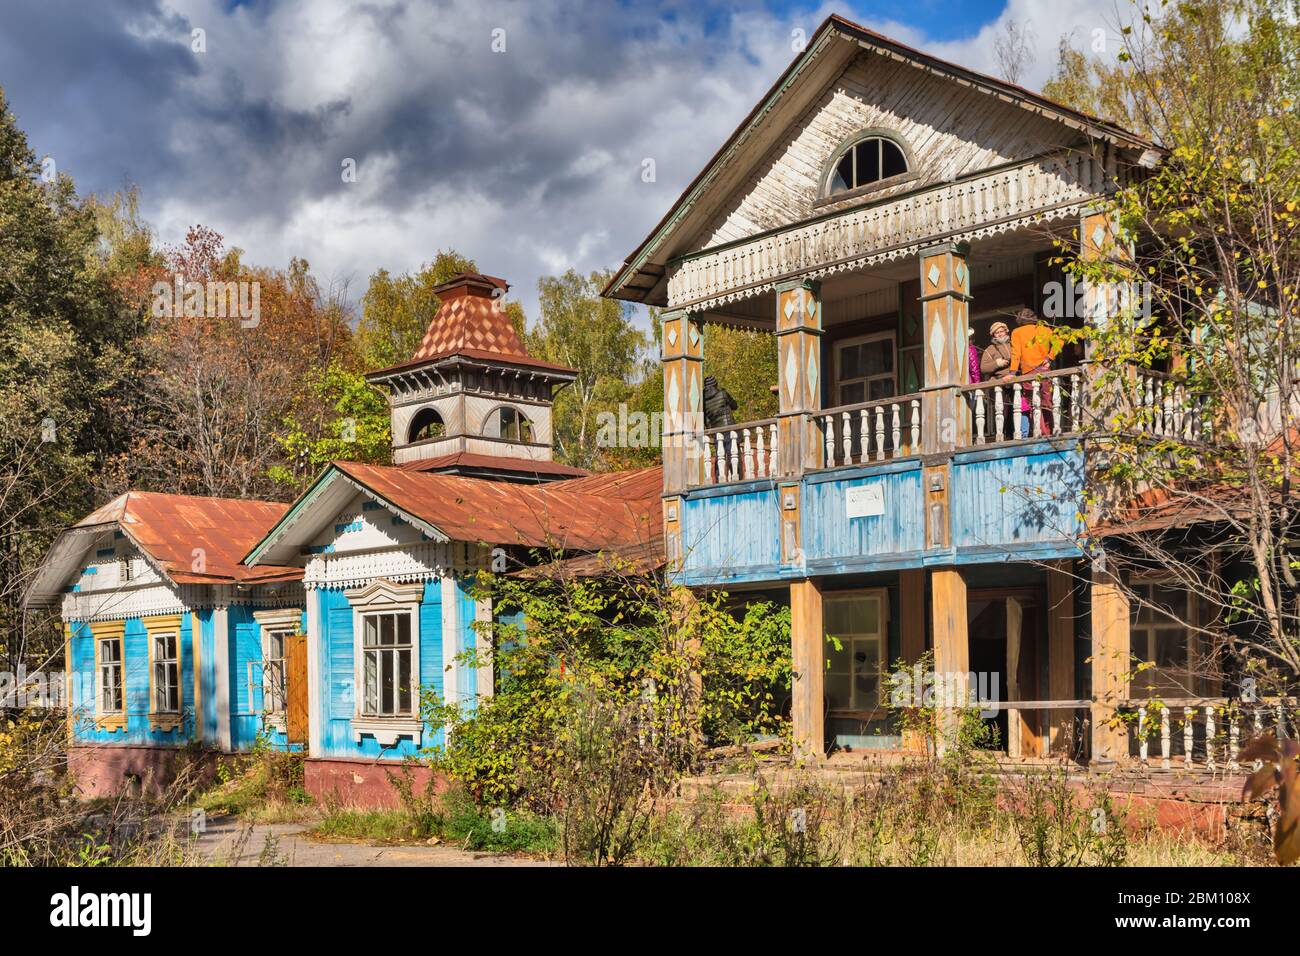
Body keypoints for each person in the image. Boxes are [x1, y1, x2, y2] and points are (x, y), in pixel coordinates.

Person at [1008, 307, 1059, 436]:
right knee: (1047, 402)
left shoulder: (1017, 332)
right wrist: (1049, 357)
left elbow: (1016, 354)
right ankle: (1051, 430)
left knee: (1034, 404)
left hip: (1028, 372)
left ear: (1020, 319)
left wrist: (1012, 372)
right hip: (1045, 370)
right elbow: (1060, 340)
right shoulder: (1045, 329)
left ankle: (1041, 433)